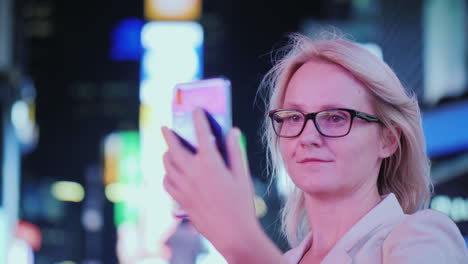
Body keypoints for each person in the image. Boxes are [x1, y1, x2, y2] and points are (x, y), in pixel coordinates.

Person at [161, 31, 468, 263]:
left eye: (335, 117)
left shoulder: (422, 236)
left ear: (388, 140)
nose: (308, 136)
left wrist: (240, 243)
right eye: (293, 117)